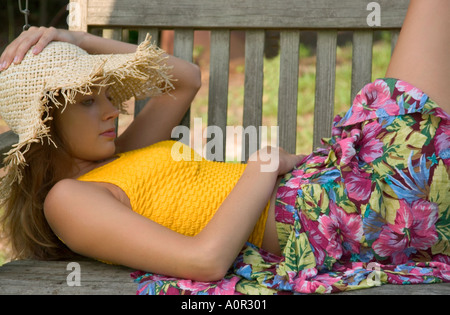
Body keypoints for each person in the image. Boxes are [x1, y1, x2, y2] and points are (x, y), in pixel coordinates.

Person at [0, 0, 449, 295]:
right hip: (335, 210)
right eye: (87, 100)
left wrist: (78, 41)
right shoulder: (68, 200)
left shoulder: (121, 155)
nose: (113, 111)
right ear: (47, 123)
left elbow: (185, 79)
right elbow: (206, 260)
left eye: (108, 94)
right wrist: (263, 167)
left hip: (341, 191)